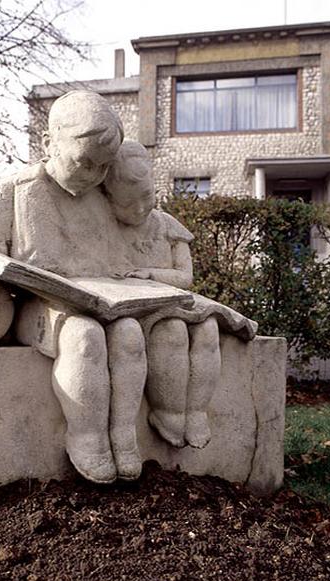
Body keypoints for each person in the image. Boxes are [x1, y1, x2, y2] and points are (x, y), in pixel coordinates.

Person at [0, 91, 146, 483]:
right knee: (83, 338)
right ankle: (88, 434)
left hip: (101, 301)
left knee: (129, 334)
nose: (93, 175)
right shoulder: (14, 188)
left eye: (102, 167)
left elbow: (120, 261)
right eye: (84, 163)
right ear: (49, 143)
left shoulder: (101, 201)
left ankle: (123, 434)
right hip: (40, 306)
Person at [103, 141, 257, 448]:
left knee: (209, 329)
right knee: (172, 332)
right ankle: (169, 411)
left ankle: (196, 410)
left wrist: (151, 274)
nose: (140, 209)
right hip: (143, 310)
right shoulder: (107, 230)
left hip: (176, 298)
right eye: (128, 204)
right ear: (108, 200)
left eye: (147, 197)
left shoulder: (168, 226)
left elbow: (185, 277)